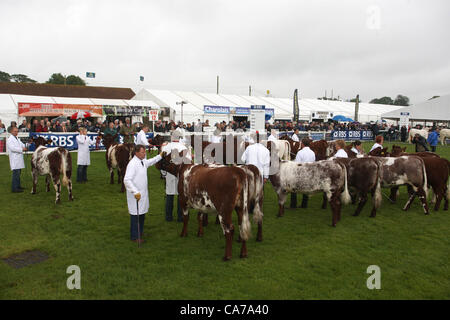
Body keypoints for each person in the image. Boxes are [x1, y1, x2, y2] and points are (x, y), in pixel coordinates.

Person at [123, 145, 164, 244]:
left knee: (141, 214)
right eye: (142, 152)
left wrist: (160, 156)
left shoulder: (142, 161)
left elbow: (150, 162)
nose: (144, 154)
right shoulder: (132, 164)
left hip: (143, 193)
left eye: (144, 152)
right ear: (136, 153)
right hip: (136, 195)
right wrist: (135, 191)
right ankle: (134, 236)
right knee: (136, 216)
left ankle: (139, 232)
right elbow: (127, 180)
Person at [161, 132, 191, 222]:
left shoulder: (166, 147)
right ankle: (180, 216)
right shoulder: (183, 147)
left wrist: (163, 173)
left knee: (169, 194)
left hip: (169, 174)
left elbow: (161, 161)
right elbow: (189, 161)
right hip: (181, 174)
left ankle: (168, 217)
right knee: (180, 195)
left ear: (171, 137)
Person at [292, 138, 316, 208]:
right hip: (309, 172)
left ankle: (293, 205)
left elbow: (297, 164)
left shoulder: (300, 152)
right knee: (306, 189)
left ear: (302, 144)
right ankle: (304, 204)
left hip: (301, 172)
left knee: (294, 188)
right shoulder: (312, 152)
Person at [6, 127, 26, 193]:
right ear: (11, 131)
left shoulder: (17, 138)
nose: (16, 132)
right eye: (15, 131)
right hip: (15, 159)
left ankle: (18, 186)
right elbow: (12, 148)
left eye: (17, 131)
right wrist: (22, 149)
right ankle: (14, 188)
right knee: (16, 174)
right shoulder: (10, 139)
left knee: (18, 173)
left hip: (18, 158)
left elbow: (22, 144)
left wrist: (25, 146)